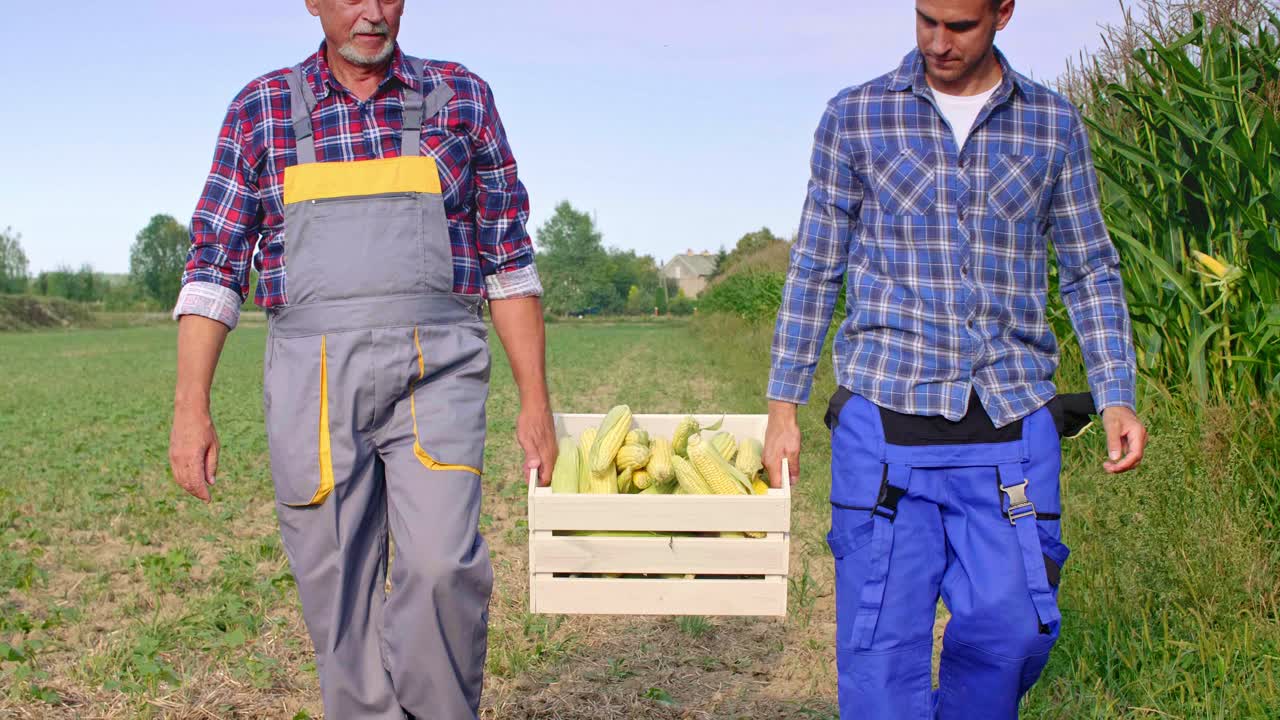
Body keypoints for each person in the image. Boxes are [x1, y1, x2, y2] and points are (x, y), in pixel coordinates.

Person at [165, 1, 557, 717]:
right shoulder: (262, 110)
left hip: (436, 366)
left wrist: (537, 402)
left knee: (443, 566)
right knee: (336, 581)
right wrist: (191, 407)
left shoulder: (461, 97)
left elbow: (508, 258)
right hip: (312, 379)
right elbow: (215, 266)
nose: (372, 13)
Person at [762, 1, 1148, 717]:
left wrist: (1115, 391)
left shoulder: (1052, 123)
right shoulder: (856, 116)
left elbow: (1090, 267)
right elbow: (817, 265)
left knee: (1015, 632)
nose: (939, 42)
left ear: (1003, 13)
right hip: (884, 433)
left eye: (961, 25)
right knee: (879, 659)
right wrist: (782, 404)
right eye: (926, 19)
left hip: (1009, 431)